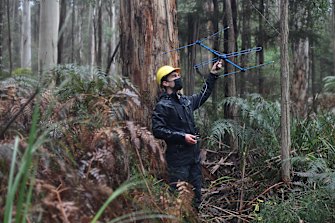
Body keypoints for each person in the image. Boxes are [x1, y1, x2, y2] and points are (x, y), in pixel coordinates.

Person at [152, 60, 223, 210]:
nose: (178, 77)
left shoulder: (185, 101)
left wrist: (213, 74)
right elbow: (157, 130)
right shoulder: (162, 106)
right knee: (177, 199)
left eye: (178, 74)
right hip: (177, 161)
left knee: (196, 197)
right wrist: (182, 136)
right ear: (165, 83)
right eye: (174, 76)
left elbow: (203, 95)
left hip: (194, 159)